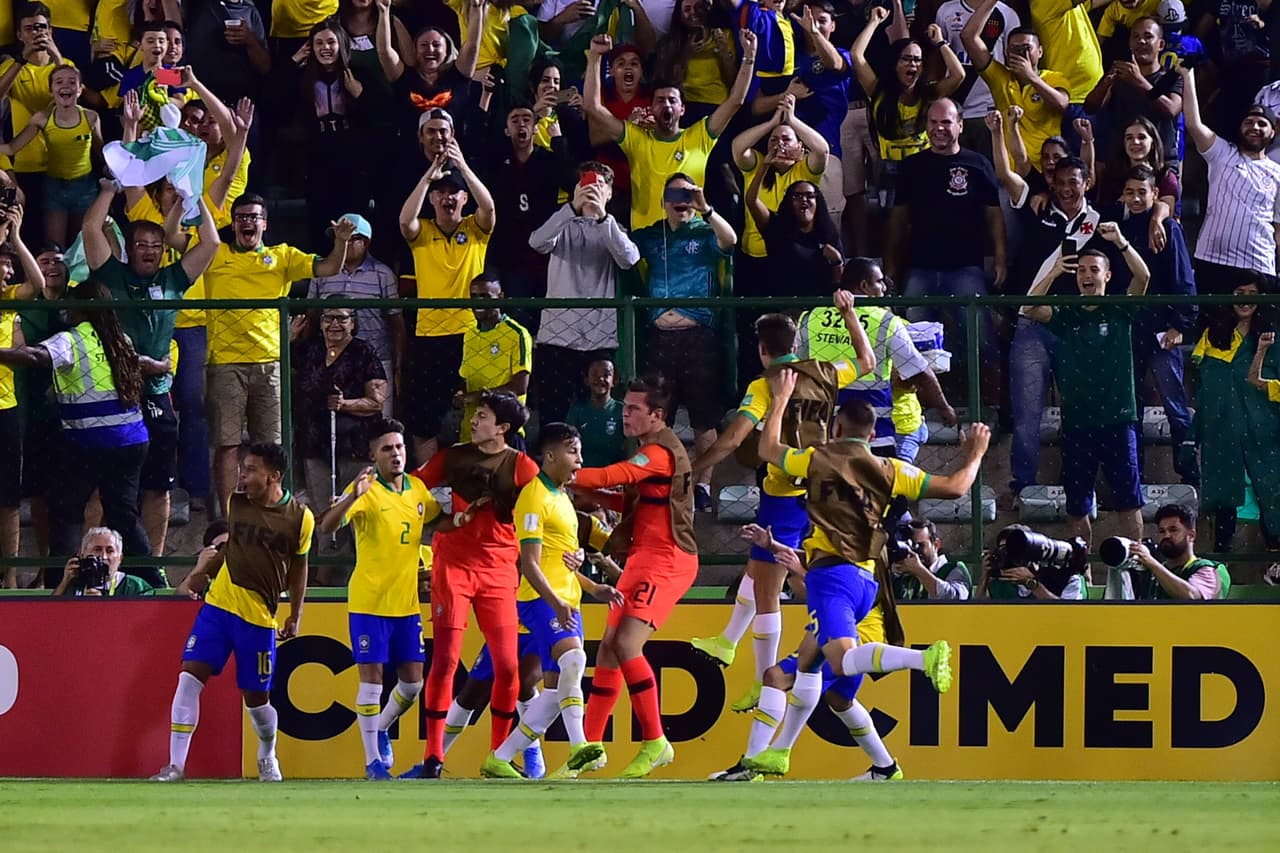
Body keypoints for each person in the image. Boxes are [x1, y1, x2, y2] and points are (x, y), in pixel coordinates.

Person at [737, 372, 988, 778]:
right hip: (867, 579)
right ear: (872, 436)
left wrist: (782, 396)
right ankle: (837, 761)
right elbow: (957, 487)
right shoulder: (893, 470)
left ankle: (923, 658)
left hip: (832, 579)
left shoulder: (816, 458)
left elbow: (767, 448)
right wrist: (976, 453)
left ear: (835, 428)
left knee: (837, 658)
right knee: (813, 667)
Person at [689, 304, 871, 708]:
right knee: (757, 573)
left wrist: (695, 469)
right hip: (821, 486)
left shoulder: (764, 385)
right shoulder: (825, 371)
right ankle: (728, 640)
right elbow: (867, 360)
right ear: (796, 344)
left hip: (785, 492)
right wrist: (849, 314)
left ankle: (762, 679)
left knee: (769, 591)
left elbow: (735, 438)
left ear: (761, 349)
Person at [151, 443, 313, 783]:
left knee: (256, 701)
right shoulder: (235, 502)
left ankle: (267, 754)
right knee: (189, 677)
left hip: (258, 618)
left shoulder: (300, 518)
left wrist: (295, 614)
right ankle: (175, 765)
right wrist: (203, 573)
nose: (243, 475)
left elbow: (299, 568)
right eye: (243, 467)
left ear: (274, 476)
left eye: (251, 469)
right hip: (219, 607)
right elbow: (232, 551)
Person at [402, 391, 540, 780]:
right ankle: (433, 756)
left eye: (481, 416)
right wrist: (435, 521)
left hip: (499, 570)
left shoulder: (523, 468)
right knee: (445, 660)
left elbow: (543, 512)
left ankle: (498, 755)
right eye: (474, 415)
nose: (473, 422)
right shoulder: (453, 457)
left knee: (508, 667)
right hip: (454, 566)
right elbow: (411, 490)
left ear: (503, 428)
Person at [569, 374, 699, 778]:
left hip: (668, 559)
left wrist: (560, 473)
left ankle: (656, 741)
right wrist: (592, 495)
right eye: (624, 408)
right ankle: (587, 750)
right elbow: (627, 495)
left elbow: (614, 476)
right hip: (643, 557)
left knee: (626, 644)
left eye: (632, 410)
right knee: (607, 649)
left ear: (657, 416)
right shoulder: (650, 451)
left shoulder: (658, 453)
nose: (624, 415)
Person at [481, 423, 625, 778]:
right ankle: (580, 746)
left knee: (553, 690)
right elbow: (529, 565)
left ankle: (499, 758)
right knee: (574, 659)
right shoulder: (534, 497)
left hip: (566, 599)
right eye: (573, 451)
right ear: (549, 456)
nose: (580, 459)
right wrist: (556, 603)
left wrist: (593, 588)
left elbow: (559, 562)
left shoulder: (562, 496)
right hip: (540, 599)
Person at [83, 184, 220, 557]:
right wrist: (109, 191)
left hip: (157, 391)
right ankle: (97, 558)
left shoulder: (173, 279)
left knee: (158, 485)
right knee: (102, 485)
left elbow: (210, 244)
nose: (149, 251)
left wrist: (198, 198)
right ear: (130, 249)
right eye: (141, 244)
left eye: (156, 245)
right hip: (114, 393)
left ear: (163, 251)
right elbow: (91, 229)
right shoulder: (111, 275)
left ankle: (153, 565)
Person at [204, 197, 355, 513]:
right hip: (225, 362)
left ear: (265, 224)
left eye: (255, 217)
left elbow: (328, 267)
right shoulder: (215, 254)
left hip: (270, 363)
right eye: (241, 217)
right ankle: (232, 515)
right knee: (227, 444)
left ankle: (270, 509)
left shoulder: (282, 256)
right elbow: (177, 239)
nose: (248, 222)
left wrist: (341, 242)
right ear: (233, 224)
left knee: (271, 445)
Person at [317, 418, 442, 779]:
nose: (396, 454)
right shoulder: (365, 489)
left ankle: (383, 727)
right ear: (373, 455)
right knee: (371, 681)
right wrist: (351, 497)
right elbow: (328, 526)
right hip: (369, 602)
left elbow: (438, 520)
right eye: (387, 449)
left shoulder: (418, 490)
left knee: (413, 684)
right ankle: (373, 762)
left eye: (400, 447)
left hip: (405, 604)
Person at [0, 280, 157, 562]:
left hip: (91, 442)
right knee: (123, 514)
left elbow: (34, 355)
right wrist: (161, 366)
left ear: (78, 308)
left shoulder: (70, 339)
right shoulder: (119, 338)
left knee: (65, 509)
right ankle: (153, 577)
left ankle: (60, 581)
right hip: (133, 440)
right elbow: (142, 363)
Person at [1021, 232, 1152, 546]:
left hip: (1119, 421)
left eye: (1094, 270)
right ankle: (1081, 573)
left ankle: (1135, 568)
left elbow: (1143, 275)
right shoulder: (1067, 313)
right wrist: (1053, 272)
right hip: (1078, 423)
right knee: (1078, 507)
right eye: (1081, 270)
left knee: (1129, 502)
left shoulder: (1120, 309)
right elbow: (1028, 308)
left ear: (1106, 275)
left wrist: (1122, 241)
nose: (1086, 275)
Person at [631, 173, 737, 510]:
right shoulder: (651, 236)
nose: (682, 200)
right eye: (675, 194)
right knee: (656, 415)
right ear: (663, 201)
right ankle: (652, 480)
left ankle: (702, 485)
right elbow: (623, 249)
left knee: (704, 418)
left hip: (699, 337)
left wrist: (706, 208)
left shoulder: (706, 232)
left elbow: (731, 240)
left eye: (688, 193)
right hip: (659, 338)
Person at [581, 30, 757, 229]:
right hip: (646, 244)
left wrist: (749, 56)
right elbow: (593, 107)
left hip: (691, 244)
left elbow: (736, 100)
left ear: (682, 109)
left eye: (672, 100)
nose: (666, 105)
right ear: (651, 107)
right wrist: (595, 57)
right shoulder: (636, 138)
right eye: (660, 100)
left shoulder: (700, 136)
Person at [891, 98, 1004, 402]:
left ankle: (988, 409)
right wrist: (892, 268)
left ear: (960, 125)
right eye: (933, 122)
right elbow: (899, 220)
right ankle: (917, 412)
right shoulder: (911, 167)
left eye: (946, 122)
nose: (939, 128)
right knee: (910, 347)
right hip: (920, 269)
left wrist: (1001, 258)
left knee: (981, 342)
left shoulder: (978, 164)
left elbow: (994, 215)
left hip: (966, 268)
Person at [400, 133, 495, 464]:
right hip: (430, 335)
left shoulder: (475, 229)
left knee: (480, 412)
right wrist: (430, 176)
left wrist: (463, 167)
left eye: (453, 193)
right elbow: (404, 221)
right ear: (433, 199)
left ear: (463, 198)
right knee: (425, 418)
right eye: (441, 193)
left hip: (471, 334)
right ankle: (427, 487)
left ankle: (477, 481)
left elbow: (489, 207)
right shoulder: (423, 231)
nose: (447, 198)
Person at [797, 259, 953, 460]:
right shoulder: (886, 321)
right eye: (879, 282)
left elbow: (796, 369)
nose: (884, 287)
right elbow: (918, 371)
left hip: (823, 429)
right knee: (878, 486)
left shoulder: (810, 317)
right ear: (864, 286)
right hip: (873, 430)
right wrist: (944, 408)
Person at [529, 162, 639, 426]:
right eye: (585, 183)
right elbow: (537, 243)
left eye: (599, 184)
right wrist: (571, 208)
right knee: (554, 418)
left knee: (599, 416)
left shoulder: (613, 228)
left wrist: (601, 217)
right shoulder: (561, 223)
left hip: (599, 339)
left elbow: (629, 258)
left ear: (610, 193)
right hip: (557, 338)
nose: (591, 189)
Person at [1114, 164, 1198, 486]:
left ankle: (1190, 477)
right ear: (1123, 194)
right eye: (1130, 192)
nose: (1136, 198)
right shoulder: (1116, 229)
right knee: (1129, 411)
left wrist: (1180, 325)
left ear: (1154, 194)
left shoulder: (1169, 229)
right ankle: (1134, 480)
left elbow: (1184, 281)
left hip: (1163, 332)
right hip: (1127, 333)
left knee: (1175, 408)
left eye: (1142, 192)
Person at [1191, 281, 1280, 552]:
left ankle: (1274, 556)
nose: (1244, 301)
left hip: (1263, 428)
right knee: (1223, 492)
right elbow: (1205, 385)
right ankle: (1220, 560)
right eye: (1239, 294)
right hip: (1221, 427)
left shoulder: (1273, 338)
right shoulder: (1211, 336)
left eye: (1252, 295)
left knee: (1271, 490)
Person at [1178, 63, 1280, 295]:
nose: (1254, 127)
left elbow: (1279, 229)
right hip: (1213, 259)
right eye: (1249, 122)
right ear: (1239, 128)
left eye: (1262, 124)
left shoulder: (1278, 174)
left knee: (1257, 332)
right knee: (1210, 330)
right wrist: (1188, 75)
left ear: (1273, 132)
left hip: (1259, 263)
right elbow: (1194, 124)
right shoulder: (1221, 153)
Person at [851, 6, 964, 208]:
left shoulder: (929, 93)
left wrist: (940, 43)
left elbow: (958, 75)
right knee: (892, 228)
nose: (913, 64)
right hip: (891, 169)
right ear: (894, 63)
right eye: (907, 59)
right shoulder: (879, 90)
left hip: (926, 165)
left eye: (918, 60)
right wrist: (874, 23)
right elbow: (857, 56)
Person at [291, 302, 387, 525]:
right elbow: (283, 365)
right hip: (314, 443)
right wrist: (291, 338)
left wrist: (345, 404)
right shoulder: (310, 350)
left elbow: (376, 402)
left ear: (353, 323)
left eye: (342, 318)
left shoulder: (364, 352)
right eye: (328, 318)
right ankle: (329, 557)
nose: (334, 324)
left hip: (355, 445)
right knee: (324, 512)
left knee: (356, 509)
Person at [732, 94, 831, 305]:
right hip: (756, 256)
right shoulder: (758, 164)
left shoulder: (806, 169)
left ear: (800, 147)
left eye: (786, 140)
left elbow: (822, 150)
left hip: (793, 259)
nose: (779, 144)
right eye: (774, 140)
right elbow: (738, 147)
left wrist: (791, 120)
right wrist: (772, 123)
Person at [305, 214, 404, 417]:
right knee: (331, 423)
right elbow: (312, 316)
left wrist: (398, 365)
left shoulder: (382, 273)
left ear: (365, 242)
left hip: (376, 358)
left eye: (349, 238)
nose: (343, 242)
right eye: (338, 237)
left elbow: (396, 323)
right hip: (330, 359)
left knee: (379, 422)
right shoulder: (322, 270)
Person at [0, 64, 102, 247]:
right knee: (55, 248)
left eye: (72, 82)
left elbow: (101, 153)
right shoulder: (42, 118)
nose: (66, 86)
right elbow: (10, 149)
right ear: (51, 90)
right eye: (59, 81)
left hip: (85, 187)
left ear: (80, 90)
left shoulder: (91, 117)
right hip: (55, 188)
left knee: (80, 248)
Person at [960, 7, 1070, 172]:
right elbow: (968, 37)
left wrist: (1031, 77)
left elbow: (1062, 104)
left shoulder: (1053, 78)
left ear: (1040, 52)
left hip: (1048, 168)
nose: (1020, 54)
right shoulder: (1001, 78)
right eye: (1014, 49)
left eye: (1026, 48)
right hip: (1013, 171)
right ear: (1006, 52)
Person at [0, 2, 72, 244]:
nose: (36, 34)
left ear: (50, 31)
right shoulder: (11, 66)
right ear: (19, 34)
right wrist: (21, 59)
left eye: (41, 28)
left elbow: (69, 94)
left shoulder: (66, 65)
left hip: (62, 167)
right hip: (25, 165)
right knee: (27, 237)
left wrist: (56, 56)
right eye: (29, 29)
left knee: (58, 246)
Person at [1083, 17, 1183, 172]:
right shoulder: (1121, 75)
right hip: (1123, 164)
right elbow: (1090, 107)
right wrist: (1107, 82)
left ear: (1161, 44)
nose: (1141, 41)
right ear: (1129, 44)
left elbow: (1171, 109)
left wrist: (1139, 81)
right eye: (1135, 37)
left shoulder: (1171, 77)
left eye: (1148, 36)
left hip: (1161, 165)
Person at [934, 0, 1020, 157]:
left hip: (989, 110)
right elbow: (938, 59)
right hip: (955, 108)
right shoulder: (946, 10)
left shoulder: (1006, 13)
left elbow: (1014, 61)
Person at [458, 275, 532, 446]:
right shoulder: (469, 334)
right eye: (474, 297)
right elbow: (465, 379)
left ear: (500, 298)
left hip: (504, 432)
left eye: (485, 296)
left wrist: (480, 396)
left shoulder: (516, 333)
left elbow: (519, 386)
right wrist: (460, 396)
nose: (478, 302)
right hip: (472, 431)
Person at [1110, 504, 1230, 600]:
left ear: (1192, 535)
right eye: (1162, 531)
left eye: (1173, 530)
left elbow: (1192, 597)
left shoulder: (1207, 569)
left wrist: (1152, 564)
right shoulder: (1154, 571)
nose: (1166, 535)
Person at [974, 523, 1087, 600]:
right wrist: (984, 577)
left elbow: (1069, 614)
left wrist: (1032, 584)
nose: (1007, 554)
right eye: (1002, 549)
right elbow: (977, 614)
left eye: (1011, 549)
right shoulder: (1000, 584)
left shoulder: (1066, 578)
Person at [1098, 117, 1180, 211]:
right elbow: (1104, 211)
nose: (1135, 142)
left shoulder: (1165, 176)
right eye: (1129, 138)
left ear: (1153, 143)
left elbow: (1167, 213)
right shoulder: (1111, 175)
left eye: (1141, 137)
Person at [53, 527, 154, 597]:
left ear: (120, 558)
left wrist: (103, 605)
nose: (103, 556)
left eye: (110, 551)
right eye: (97, 549)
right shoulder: (71, 584)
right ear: (82, 555)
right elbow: (48, 617)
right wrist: (64, 582)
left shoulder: (135, 586)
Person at [565, 358, 628, 468]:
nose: (600, 378)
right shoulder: (577, 410)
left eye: (606, 374)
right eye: (594, 374)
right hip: (583, 476)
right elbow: (567, 447)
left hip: (614, 477)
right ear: (586, 380)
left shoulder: (622, 411)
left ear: (614, 380)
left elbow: (630, 448)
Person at [890, 518, 973, 601]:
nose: (914, 551)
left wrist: (919, 570)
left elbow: (956, 599)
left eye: (920, 545)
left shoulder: (954, 569)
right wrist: (892, 575)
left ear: (936, 544)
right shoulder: (907, 576)